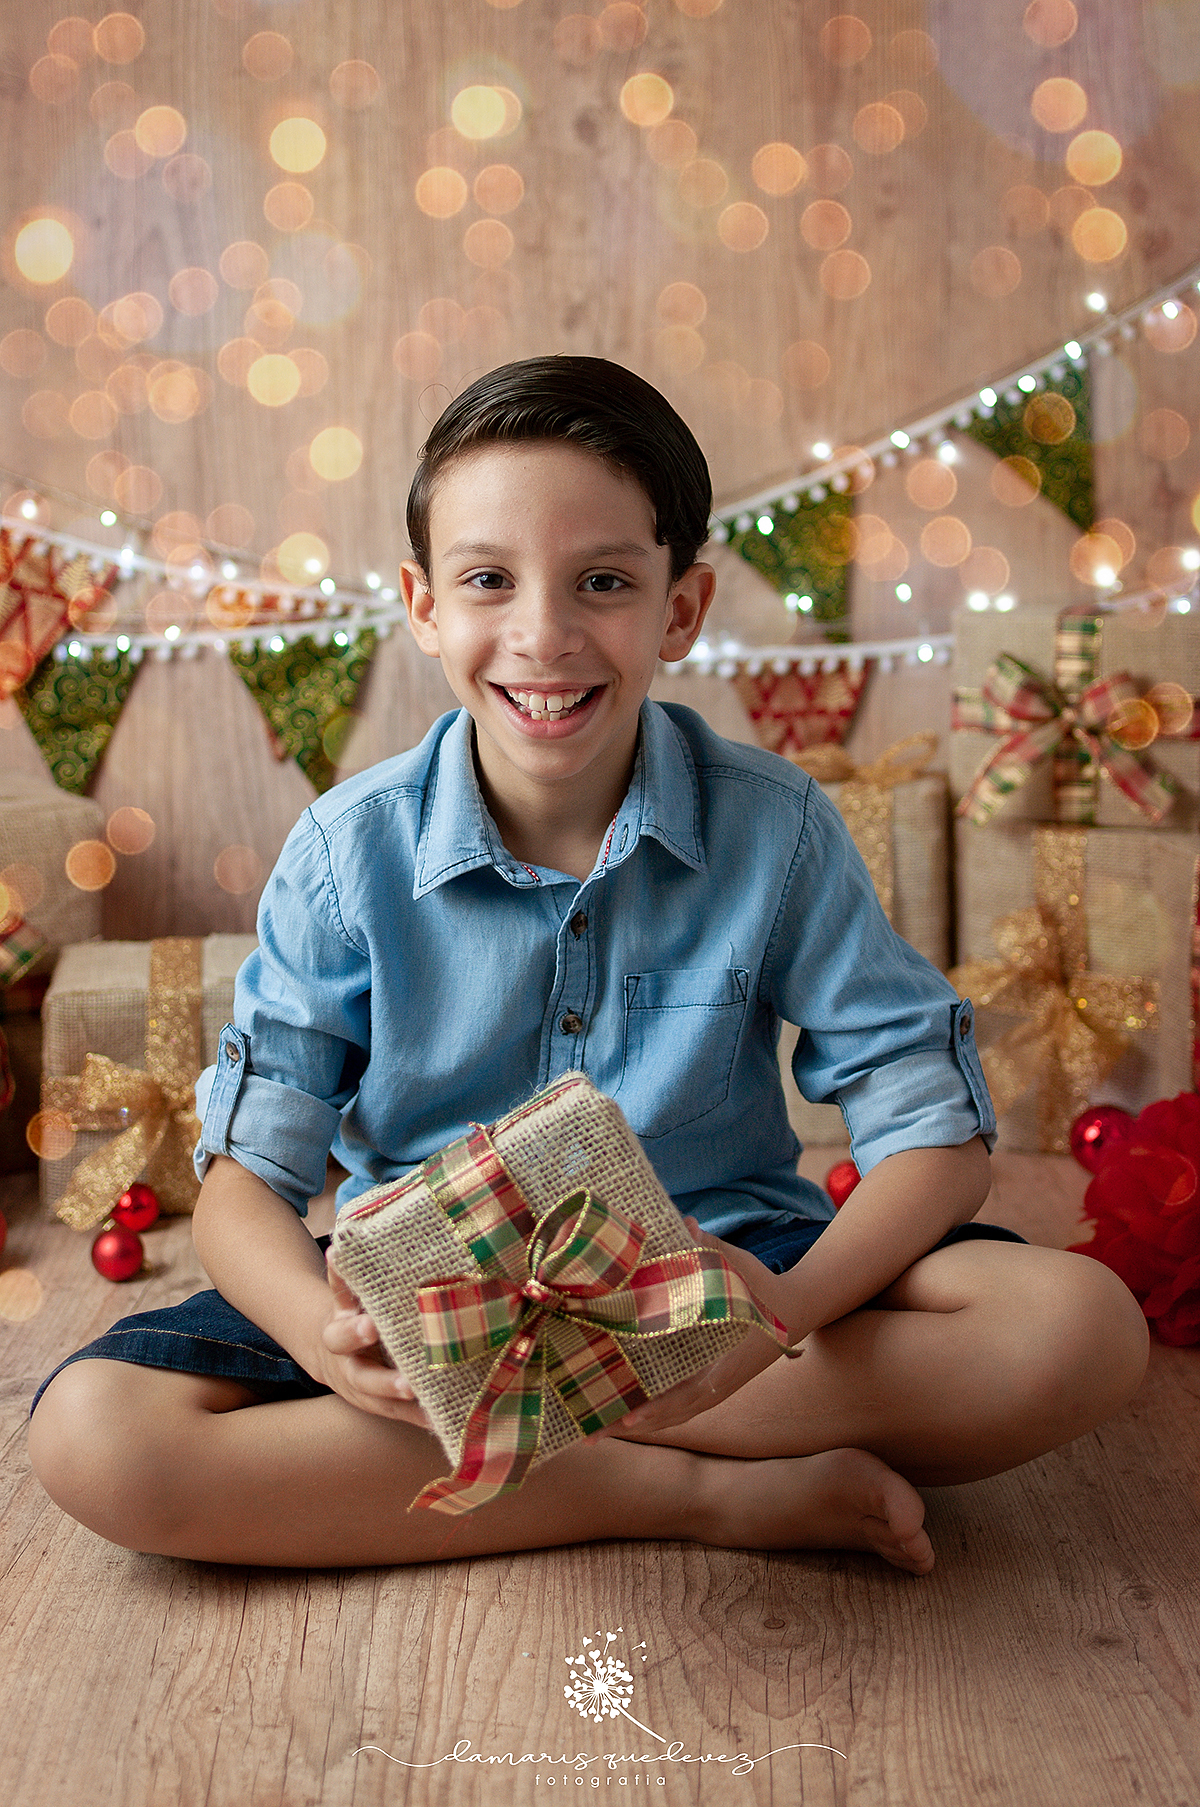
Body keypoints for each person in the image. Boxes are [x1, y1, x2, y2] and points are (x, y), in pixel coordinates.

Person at [28, 357, 1149, 1574]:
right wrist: (319, 1333)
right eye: (489, 581)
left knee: (1079, 1327)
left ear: (681, 608)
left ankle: (532, 1468)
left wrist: (778, 1314)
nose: (544, 635)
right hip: (429, 1319)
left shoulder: (777, 829)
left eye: (603, 581)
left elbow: (934, 1134)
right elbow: (248, 1180)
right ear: (422, 605)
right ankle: (684, 1493)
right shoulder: (347, 855)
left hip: (717, 1286)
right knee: (97, 1435)